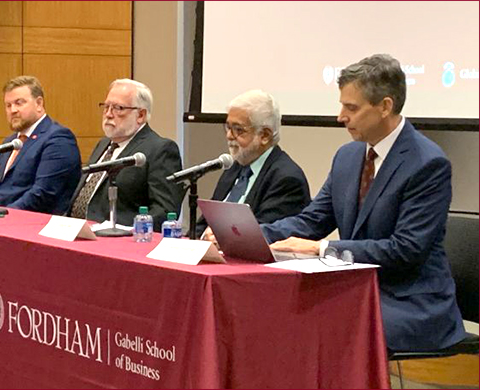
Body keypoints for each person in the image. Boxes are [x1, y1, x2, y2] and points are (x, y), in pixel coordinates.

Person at [262, 54, 465, 352]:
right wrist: (251, 234)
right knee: (280, 310)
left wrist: (323, 249)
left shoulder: (428, 163)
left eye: (351, 108)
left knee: (326, 326)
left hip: (411, 303)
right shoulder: (348, 156)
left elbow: (405, 250)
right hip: (358, 290)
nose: (340, 116)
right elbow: (312, 220)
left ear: (385, 106)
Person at [69, 79, 184, 231]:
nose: (109, 114)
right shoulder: (103, 144)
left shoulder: (160, 149)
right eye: (106, 107)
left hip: (117, 239)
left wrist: (127, 230)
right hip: (77, 231)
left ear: (141, 115)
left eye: (118, 108)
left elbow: (165, 210)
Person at [197, 90, 310, 241]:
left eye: (238, 130)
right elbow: (204, 223)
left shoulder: (287, 178)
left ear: (264, 135)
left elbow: (262, 233)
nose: (229, 136)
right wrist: (203, 236)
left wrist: (219, 237)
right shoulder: (234, 167)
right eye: (228, 127)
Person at [0, 76, 81, 214]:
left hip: (34, 224)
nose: (13, 110)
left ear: (39, 103)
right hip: (2, 220)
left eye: (19, 103)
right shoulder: (9, 143)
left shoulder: (58, 138)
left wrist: (3, 214)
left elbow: (43, 193)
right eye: (8, 105)